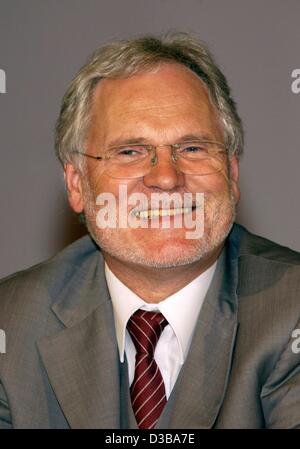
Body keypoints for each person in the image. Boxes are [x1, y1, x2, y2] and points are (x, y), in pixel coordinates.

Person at [0, 32, 300, 430]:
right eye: (130, 152)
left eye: (192, 148)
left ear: (231, 172)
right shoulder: (12, 323)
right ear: (77, 185)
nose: (165, 178)